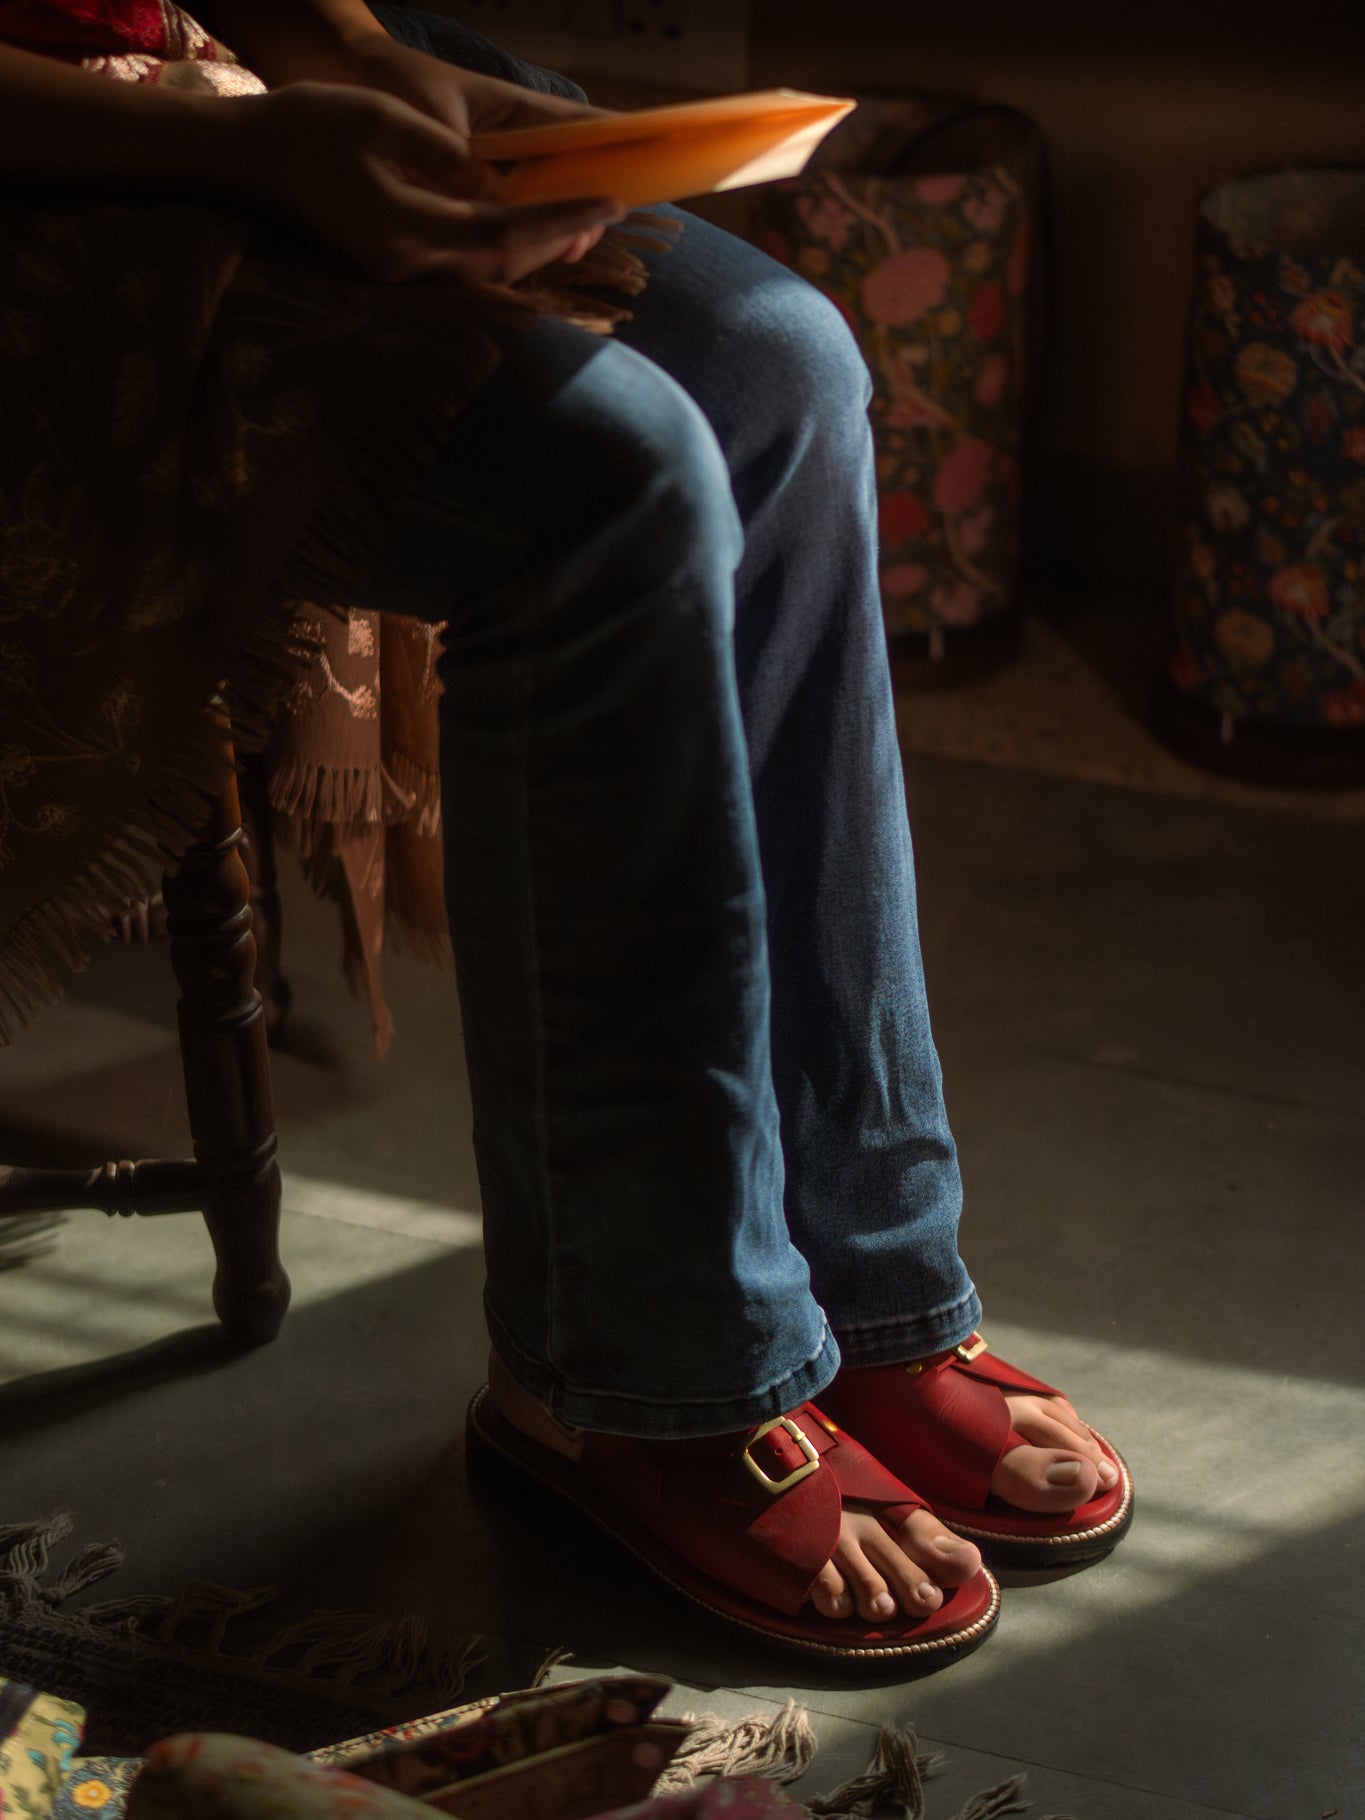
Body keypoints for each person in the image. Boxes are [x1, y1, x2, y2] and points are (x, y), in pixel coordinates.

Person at [0, 0, 1131, 1671]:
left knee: (785, 363)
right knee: (613, 473)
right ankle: (626, 1372)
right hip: (68, 165)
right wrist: (236, 140)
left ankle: (865, 1277)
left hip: (196, 75)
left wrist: (354, 56)